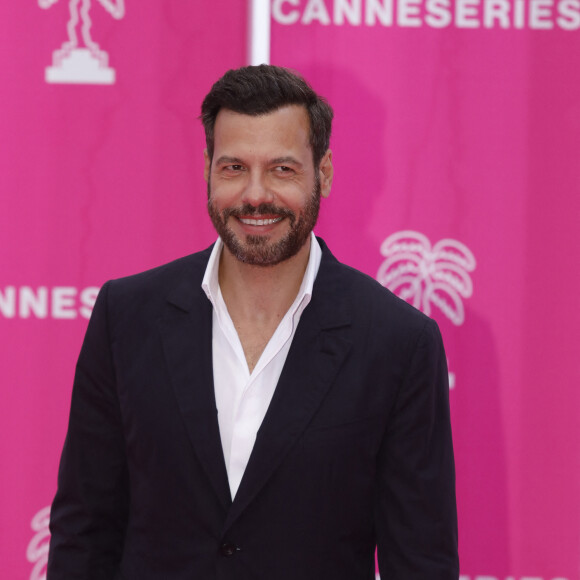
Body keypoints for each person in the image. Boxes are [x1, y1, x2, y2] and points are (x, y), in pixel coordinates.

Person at [47, 64, 459, 579]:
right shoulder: (126, 316)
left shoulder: (399, 343)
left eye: (282, 169)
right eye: (234, 168)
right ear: (207, 169)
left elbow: (420, 559)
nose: (255, 195)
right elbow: (84, 531)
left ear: (323, 173)